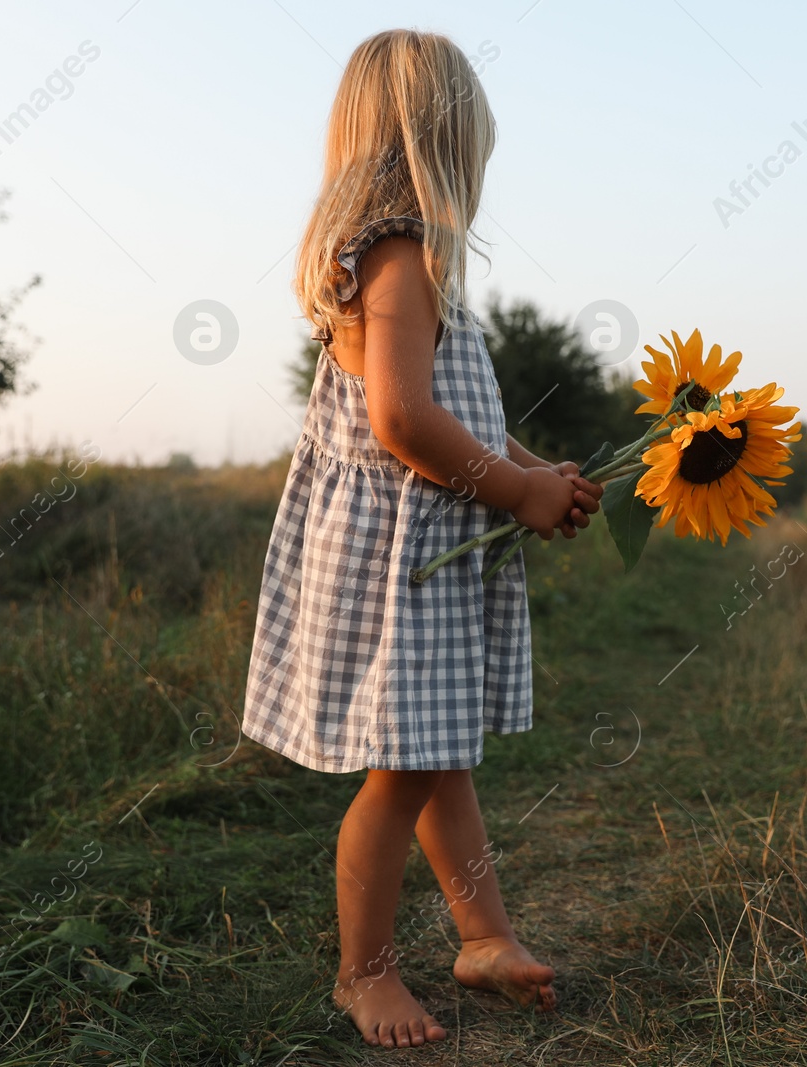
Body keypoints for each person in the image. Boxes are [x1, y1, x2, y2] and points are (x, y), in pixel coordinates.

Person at [241, 28, 604, 1049]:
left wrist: (530, 475)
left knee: (435, 751)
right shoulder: (400, 255)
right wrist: (515, 493)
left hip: (416, 542)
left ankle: (482, 934)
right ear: (446, 145)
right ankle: (363, 972)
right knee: (400, 770)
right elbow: (401, 421)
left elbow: (460, 419)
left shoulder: (405, 259)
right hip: (398, 559)